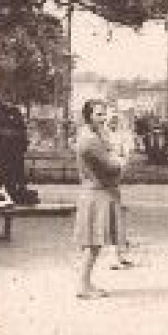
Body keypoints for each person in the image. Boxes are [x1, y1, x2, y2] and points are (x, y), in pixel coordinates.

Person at [73, 99, 126, 299]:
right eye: (98, 115)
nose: (103, 119)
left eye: (104, 114)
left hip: (96, 191)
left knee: (94, 243)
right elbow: (112, 166)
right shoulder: (90, 140)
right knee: (94, 243)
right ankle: (83, 286)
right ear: (88, 116)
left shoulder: (91, 135)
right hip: (97, 193)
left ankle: (85, 283)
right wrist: (121, 160)